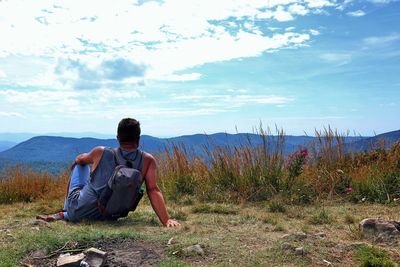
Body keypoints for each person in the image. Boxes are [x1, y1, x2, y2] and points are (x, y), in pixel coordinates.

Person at [37, 118, 180, 227]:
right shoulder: (148, 160)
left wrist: (78, 160)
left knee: (81, 166)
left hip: (79, 212)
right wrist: (166, 220)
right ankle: (65, 213)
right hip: (111, 215)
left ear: (118, 138)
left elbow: (81, 159)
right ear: (138, 139)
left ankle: (67, 209)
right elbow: (153, 190)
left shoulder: (100, 151)